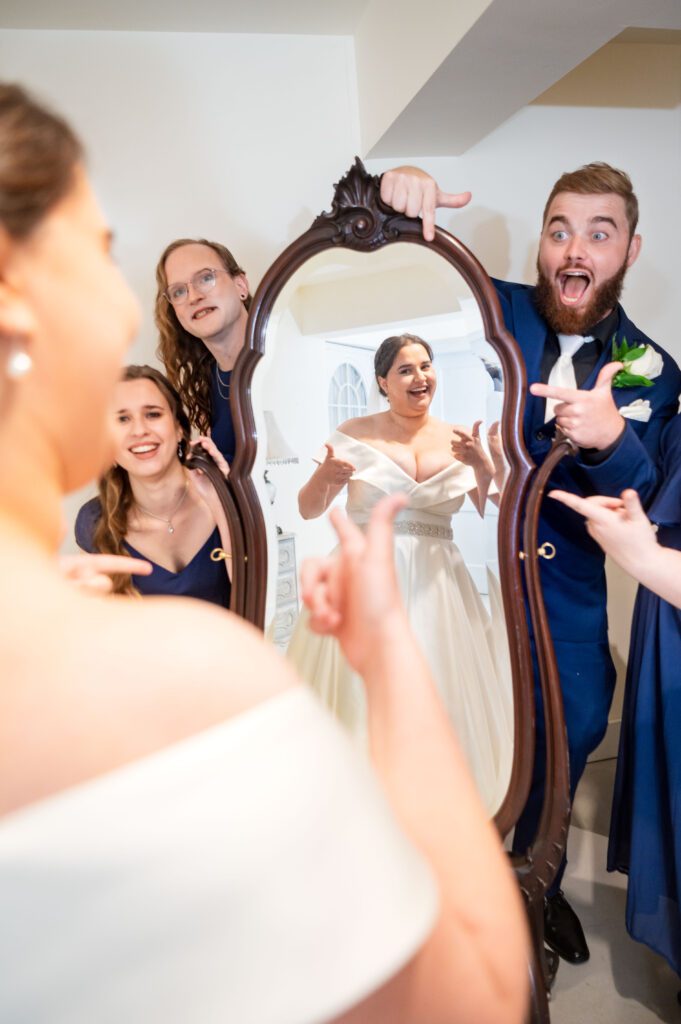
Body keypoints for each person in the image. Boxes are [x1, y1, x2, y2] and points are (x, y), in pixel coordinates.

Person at [0, 84, 528, 1023]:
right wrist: (388, 660)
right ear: (15, 302)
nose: (132, 299)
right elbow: (477, 997)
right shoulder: (190, 673)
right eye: (99, 252)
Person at [379, 162, 681, 964]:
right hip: (461, 588)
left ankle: (536, 893)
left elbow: (646, 495)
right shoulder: (485, 306)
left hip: (568, 604)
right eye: (558, 231)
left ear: (629, 249)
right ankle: (450, 908)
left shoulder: (654, 368)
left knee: (569, 742)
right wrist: (394, 193)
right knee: (456, 745)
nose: (573, 249)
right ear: (540, 243)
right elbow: (398, 271)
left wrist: (611, 443)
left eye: (597, 232)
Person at [289, 332, 513, 816]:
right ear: (383, 382)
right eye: (406, 370)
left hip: (439, 582)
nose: (420, 377)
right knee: (367, 692)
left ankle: (436, 809)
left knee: (438, 685)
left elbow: (494, 506)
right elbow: (309, 509)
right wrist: (325, 479)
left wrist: (483, 467)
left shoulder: (459, 437)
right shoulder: (354, 432)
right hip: (366, 575)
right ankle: (364, 804)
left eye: (427, 366)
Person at [551, 415, 681, 981]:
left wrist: (650, 561)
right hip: (665, 611)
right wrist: (609, 442)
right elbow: (647, 484)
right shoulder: (676, 422)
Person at [75, 364, 232, 606]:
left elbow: (256, 600)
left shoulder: (226, 498)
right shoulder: (94, 522)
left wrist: (221, 500)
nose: (140, 430)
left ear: (179, 428)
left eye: (153, 414)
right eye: (123, 419)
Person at [155, 238, 252, 462]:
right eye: (178, 292)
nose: (194, 296)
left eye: (206, 278)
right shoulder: (204, 387)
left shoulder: (283, 356)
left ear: (241, 286)